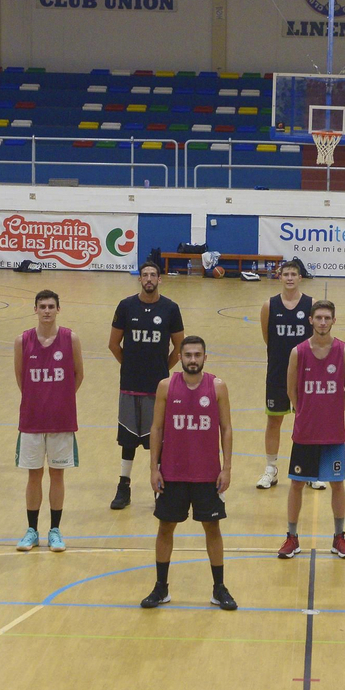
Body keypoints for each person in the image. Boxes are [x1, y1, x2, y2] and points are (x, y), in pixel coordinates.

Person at [142, 335, 237, 611]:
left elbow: (226, 429)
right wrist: (153, 468)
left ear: (205, 358)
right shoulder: (166, 386)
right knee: (165, 527)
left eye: (198, 355)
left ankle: (219, 588)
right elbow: (156, 429)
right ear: (180, 357)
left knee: (212, 528)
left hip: (207, 474)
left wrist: (227, 468)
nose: (192, 360)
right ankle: (161, 588)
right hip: (172, 473)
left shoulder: (217, 387)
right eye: (188, 355)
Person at [278, 301, 345, 559]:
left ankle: (339, 537)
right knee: (297, 483)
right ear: (310, 320)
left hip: (333, 432)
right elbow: (291, 390)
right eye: (319, 318)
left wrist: (333, 412)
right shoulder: (298, 352)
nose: (323, 322)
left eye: (327, 318)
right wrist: (304, 412)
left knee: (337, 484)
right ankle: (292, 537)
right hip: (305, 432)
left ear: (334, 320)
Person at [109, 259, 184, 509]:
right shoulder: (126, 306)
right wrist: (129, 364)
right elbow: (113, 344)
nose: (149, 279)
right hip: (130, 383)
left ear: (159, 279)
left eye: (153, 275)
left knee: (158, 438)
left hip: (157, 386)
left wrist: (163, 370)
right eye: (145, 275)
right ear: (139, 279)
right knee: (128, 439)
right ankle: (124, 486)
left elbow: (179, 348)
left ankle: (160, 487)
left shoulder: (171, 309)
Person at [14, 289, 83, 553]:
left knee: (57, 475)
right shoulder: (22, 341)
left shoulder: (70, 338)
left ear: (58, 309)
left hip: (61, 420)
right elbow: (21, 378)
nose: (46, 310)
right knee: (34, 475)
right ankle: (32, 530)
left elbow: (79, 375)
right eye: (42, 306)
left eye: (51, 306)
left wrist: (60, 398)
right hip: (31, 420)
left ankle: (55, 530)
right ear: (35, 309)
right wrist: (38, 398)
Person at [258, 259, 317, 491]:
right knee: (274, 421)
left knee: (308, 422)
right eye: (286, 274)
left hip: (306, 374)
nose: (290, 278)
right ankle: (271, 469)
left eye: (294, 274)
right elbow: (268, 339)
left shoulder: (311, 305)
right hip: (277, 373)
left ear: (300, 277)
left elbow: (316, 341)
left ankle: (310, 470)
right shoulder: (269, 306)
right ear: (279, 277)